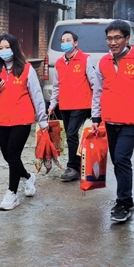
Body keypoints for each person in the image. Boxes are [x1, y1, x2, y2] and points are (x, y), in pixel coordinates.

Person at [90, 20, 134, 223]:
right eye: (109, 39)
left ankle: (124, 202)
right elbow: (98, 91)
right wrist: (96, 117)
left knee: (121, 158)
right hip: (109, 120)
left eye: (117, 38)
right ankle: (125, 200)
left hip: (132, 120)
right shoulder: (103, 62)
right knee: (117, 160)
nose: (112, 42)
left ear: (127, 39)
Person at [0, 33, 48, 211]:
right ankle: (27, 177)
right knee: (8, 156)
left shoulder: (26, 69)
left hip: (22, 119)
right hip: (2, 119)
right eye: (1, 48)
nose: (4, 51)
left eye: (7, 47)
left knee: (13, 155)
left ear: (14, 48)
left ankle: (11, 193)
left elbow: (36, 95)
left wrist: (42, 120)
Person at [47, 31, 96, 183]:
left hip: (82, 104)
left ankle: (72, 167)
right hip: (65, 105)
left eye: (68, 40)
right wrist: (52, 104)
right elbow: (56, 86)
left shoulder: (85, 59)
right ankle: (79, 163)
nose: (65, 43)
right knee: (70, 136)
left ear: (75, 43)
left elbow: (95, 83)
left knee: (71, 134)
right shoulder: (59, 63)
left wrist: (97, 106)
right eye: (63, 41)